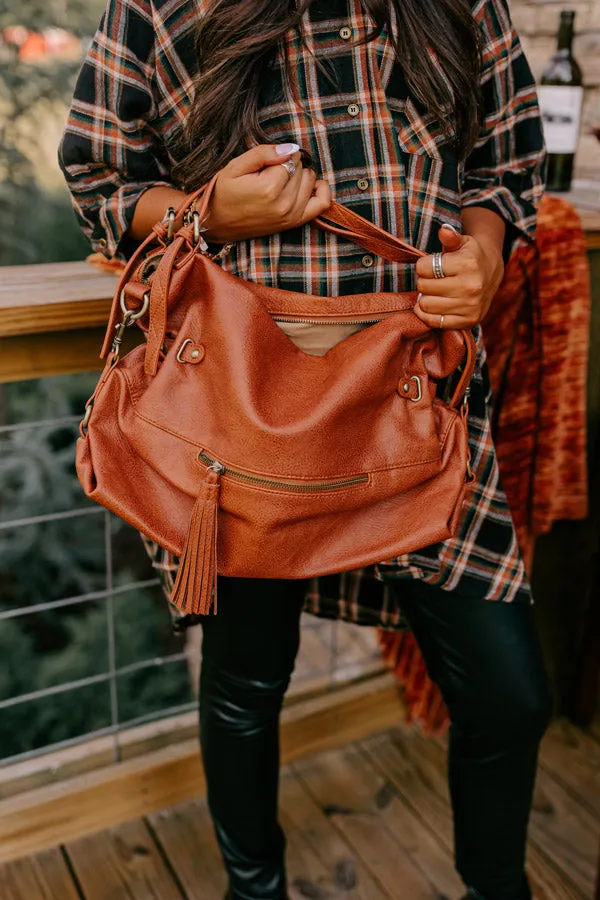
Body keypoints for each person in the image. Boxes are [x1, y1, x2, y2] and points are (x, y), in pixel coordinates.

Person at [59, 2, 553, 898]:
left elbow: (505, 167)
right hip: (240, 416)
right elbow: (100, 182)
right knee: (247, 681)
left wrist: (482, 256)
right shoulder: (160, 6)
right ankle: (257, 891)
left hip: (421, 400)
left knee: (510, 697)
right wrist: (209, 212)